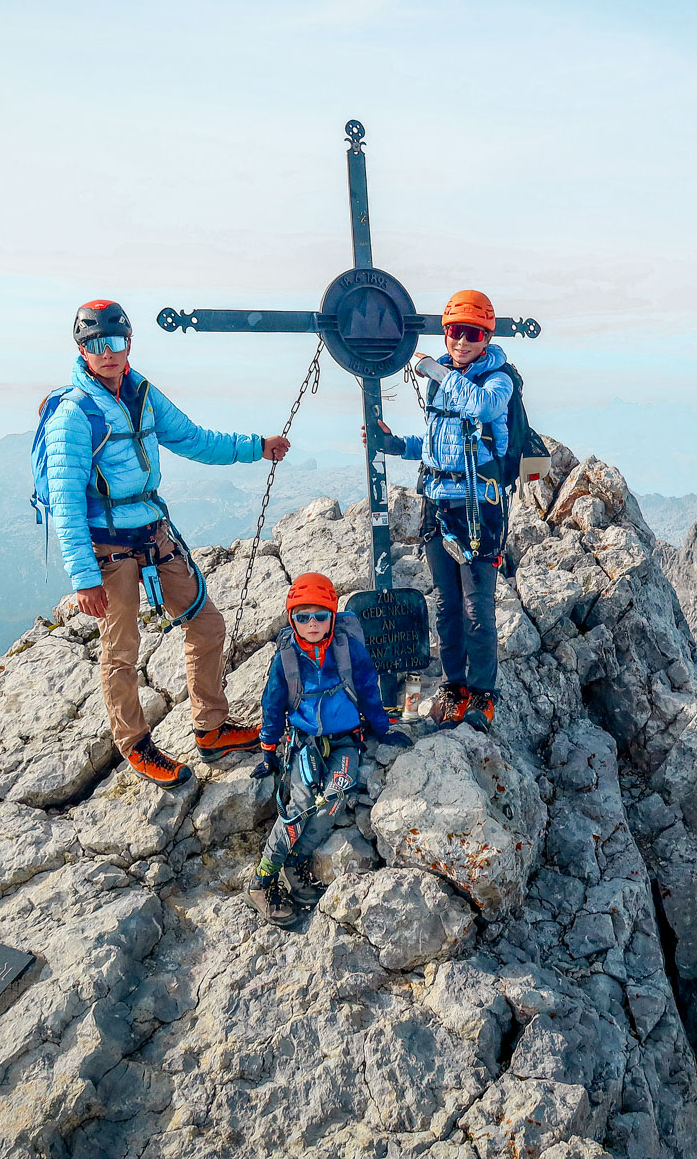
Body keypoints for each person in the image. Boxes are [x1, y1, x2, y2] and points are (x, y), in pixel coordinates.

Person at [42, 300, 289, 789]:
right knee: (121, 651)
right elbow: (64, 500)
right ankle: (136, 744)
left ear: (129, 344)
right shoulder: (73, 416)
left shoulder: (144, 395)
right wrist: (84, 579)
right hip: (108, 549)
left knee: (206, 621)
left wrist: (255, 447)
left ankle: (211, 726)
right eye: (96, 344)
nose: (108, 353)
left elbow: (194, 439)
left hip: (153, 533)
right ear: (81, 349)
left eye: (115, 342)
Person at [374, 289, 515, 728]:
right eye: (454, 331)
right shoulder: (442, 380)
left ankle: (483, 693)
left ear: (487, 336)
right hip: (437, 508)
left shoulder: (498, 379)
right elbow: (437, 443)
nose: (460, 341)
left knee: (477, 608)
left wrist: (433, 367)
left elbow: (482, 407)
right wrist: (398, 445)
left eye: (472, 332)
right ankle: (456, 686)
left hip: (478, 510)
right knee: (447, 605)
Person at [247, 573, 400, 925]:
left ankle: (296, 862)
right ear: (291, 619)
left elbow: (367, 688)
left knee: (336, 795)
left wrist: (383, 729)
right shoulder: (286, 658)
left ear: (333, 615)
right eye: (302, 617)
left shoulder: (348, 649)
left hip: (347, 739)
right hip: (304, 743)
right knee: (298, 806)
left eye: (320, 615)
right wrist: (268, 749)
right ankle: (262, 881)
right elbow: (272, 704)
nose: (312, 624)